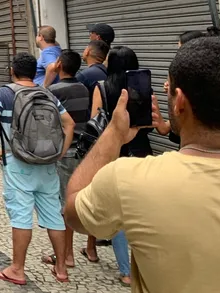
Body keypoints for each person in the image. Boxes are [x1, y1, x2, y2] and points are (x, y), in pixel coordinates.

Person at [66, 36, 220, 293]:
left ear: (180, 102)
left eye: (168, 89)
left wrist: (114, 135)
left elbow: (73, 213)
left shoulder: (129, 179)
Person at [0, 52, 75, 286]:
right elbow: (69, 123)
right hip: (47, 163)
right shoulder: (48, 94)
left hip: (18, 163)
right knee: (54, 215)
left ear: (12, 71)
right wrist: (60, 152)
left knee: (21, 216)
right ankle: (61, 268)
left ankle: (17, 269)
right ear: (35, 72)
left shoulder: (4, 94)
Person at [85, 46, 151, 285]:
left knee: (120, 215)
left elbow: (95, 124)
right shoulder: (143, 88)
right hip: (142, 153)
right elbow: (150, 123)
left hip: (115, 155)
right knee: (142, 212)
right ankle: (145, 266)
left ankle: (126, 272)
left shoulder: (101, 88)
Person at [42, 49, 90, 271]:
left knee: (64, 204)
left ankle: (66, 256)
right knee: (86, 200)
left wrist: (48, 78)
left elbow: (40, 108)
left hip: (65, 151)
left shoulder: (53, 90)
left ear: (59, 64)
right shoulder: (84, 88)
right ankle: (91, 249)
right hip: (85, 151)